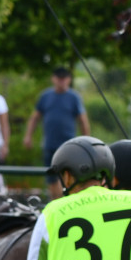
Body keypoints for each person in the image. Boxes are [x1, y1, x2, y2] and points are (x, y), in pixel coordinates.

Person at [22, 67, 91, 199]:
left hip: (69, 145)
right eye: (59, 79)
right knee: (51, 178)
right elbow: (35, 117)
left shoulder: (74, 97)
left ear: (69, 80)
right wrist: (28, 136)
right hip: (49, 144)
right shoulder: (45, 96)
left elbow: (83, 120)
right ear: (53, 79)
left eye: (64, 79)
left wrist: (86, 141)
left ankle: (64, 201)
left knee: (66, 177)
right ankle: (53, 202)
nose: (61, 82)